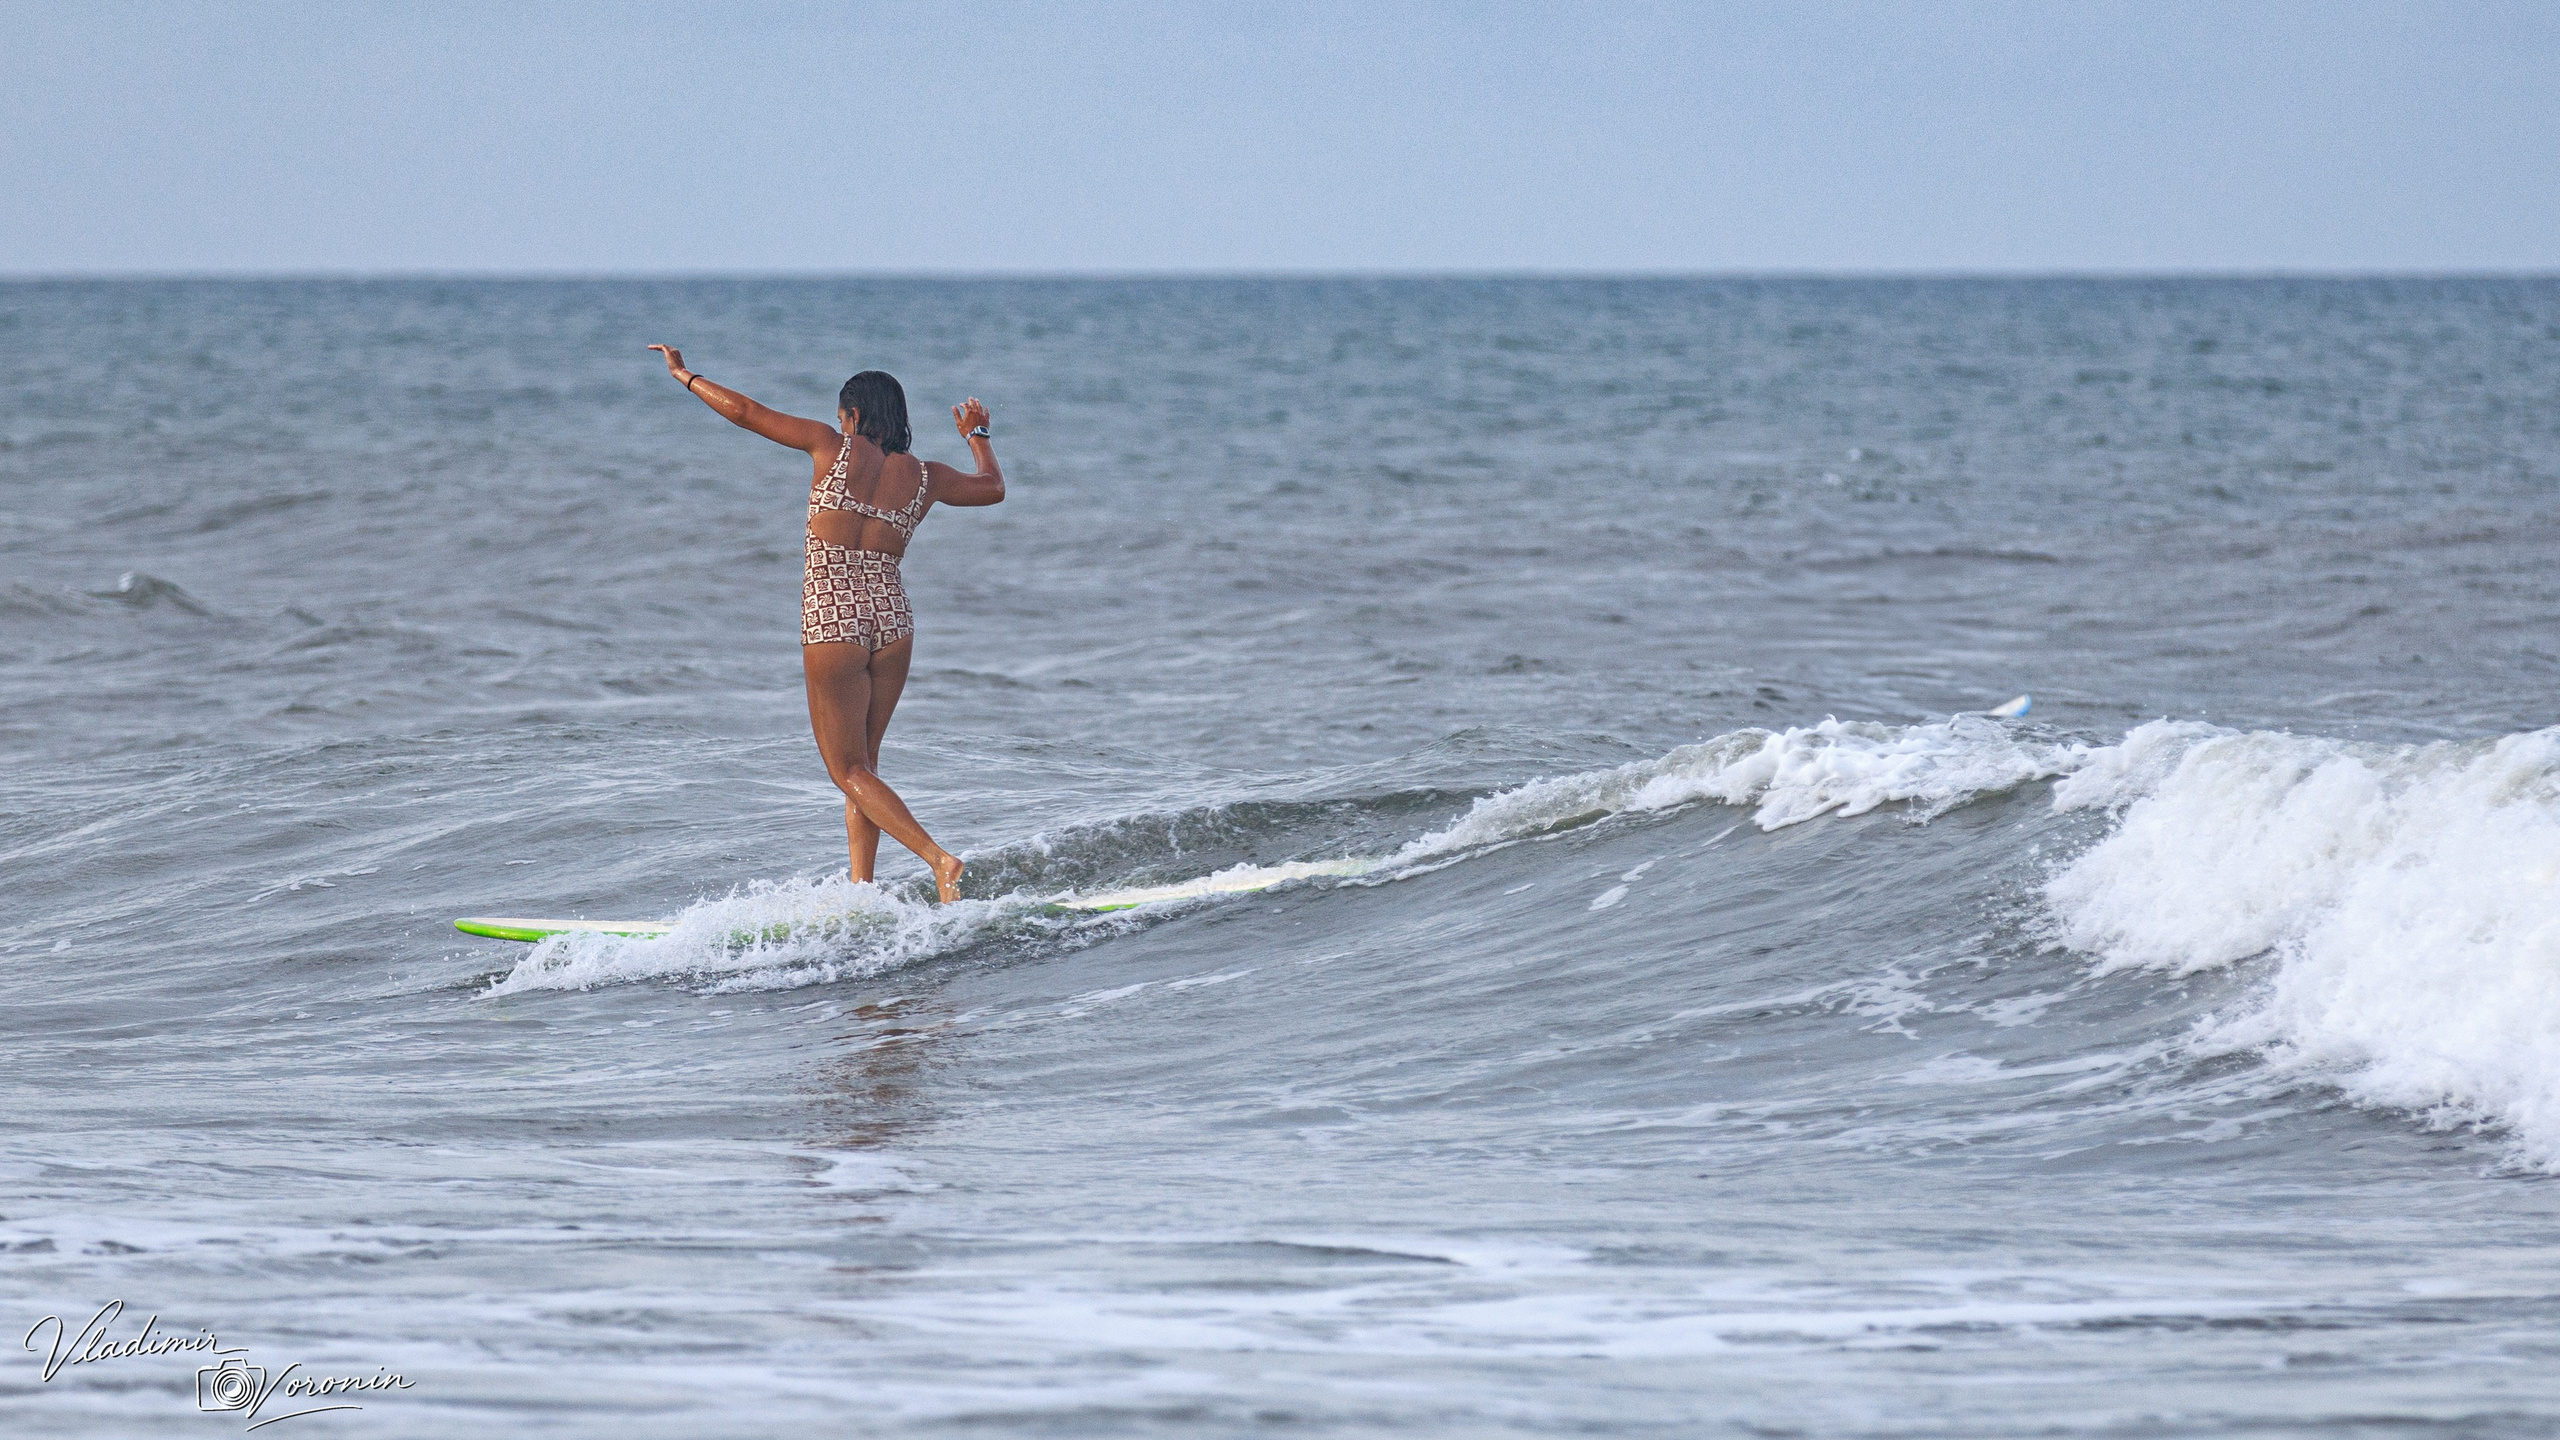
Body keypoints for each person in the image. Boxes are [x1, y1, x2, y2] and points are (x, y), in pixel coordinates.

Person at [646, 345, 1004, 902]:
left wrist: (684, 375)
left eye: (843, 417)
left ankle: (941, 861)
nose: (840, 424)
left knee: (846, 770)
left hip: (834, 618)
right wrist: (978, 435)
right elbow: (992, 490)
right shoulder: (927, 478)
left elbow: (743, 412)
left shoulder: (829, 446)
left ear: (853, 416)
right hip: (891, 619)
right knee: (865, 765)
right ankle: (862, 892)